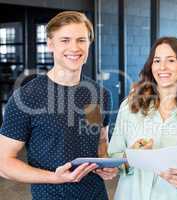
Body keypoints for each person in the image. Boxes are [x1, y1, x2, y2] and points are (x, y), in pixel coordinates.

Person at [0, 11, 118, 200]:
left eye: (81, 40)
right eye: (65, 40)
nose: (74, 47)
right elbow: (4, 164)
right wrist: (53, 177)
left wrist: (105, 163)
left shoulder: (100, 94)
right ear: (50, 44)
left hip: (96, 195)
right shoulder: (26, 97)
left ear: (89, 44)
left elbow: (100, 141)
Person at [108, 36, 177, 200]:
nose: (163, 67)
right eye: (157, 60)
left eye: (171, 60)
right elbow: (113, 157)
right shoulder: (130, 107)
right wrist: (131, 156)